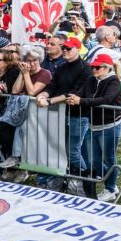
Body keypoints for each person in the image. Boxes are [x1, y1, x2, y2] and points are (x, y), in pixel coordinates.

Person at [37, 37, 92, 196]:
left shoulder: (85, 68)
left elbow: (74, 93)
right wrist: (42, 95)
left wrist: (49, 100)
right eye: (64, 48)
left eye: (68, 48)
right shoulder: (61, 67)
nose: (65, 51)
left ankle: (83, 181)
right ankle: (66, 179)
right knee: (61, 149)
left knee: (73, 150)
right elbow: (53, 87)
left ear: (78, 49)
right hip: (61, 113)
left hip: (78, 115)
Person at [72, 53, 121, 202]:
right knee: (94, 161)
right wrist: (72, 97)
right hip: (93, 124)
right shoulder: (91, 79)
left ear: (107, 68)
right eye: (93, 66)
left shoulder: (114, 81)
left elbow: (106, 99)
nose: (94, 69)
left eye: (97, 67)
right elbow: (80, 93)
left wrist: (81, 101)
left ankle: (110, 188)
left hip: (109, 125)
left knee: (109, 158)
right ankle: (111, 181)